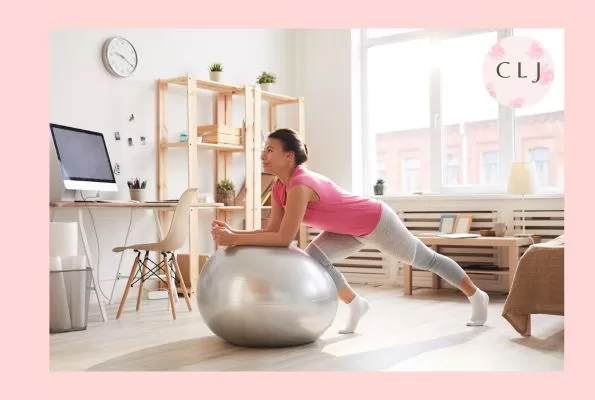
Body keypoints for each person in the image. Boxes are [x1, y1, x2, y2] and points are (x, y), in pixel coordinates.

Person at [211, 128, 489, 334]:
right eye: (264, 150)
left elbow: (284, 239)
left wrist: (234, 238)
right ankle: (356, 304)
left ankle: (477, 295)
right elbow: (272, 229)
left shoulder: (300, 185)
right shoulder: (279, 187)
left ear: (288, 156)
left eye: (270, 150)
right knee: (314, 259)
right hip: (345, 229)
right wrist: (235, 234)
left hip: (375, 220)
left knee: (425, 260)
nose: (263, 155)